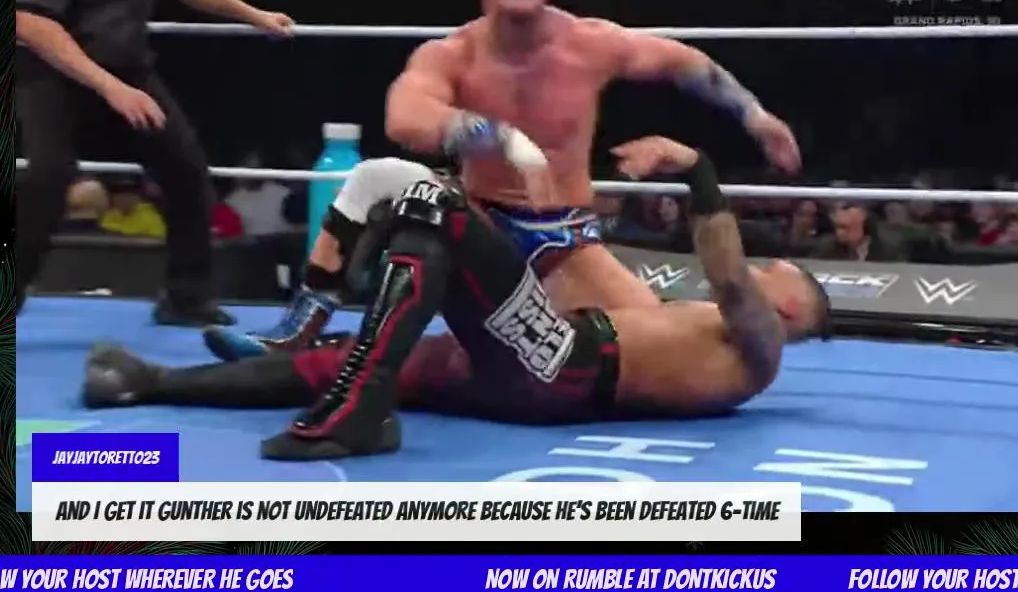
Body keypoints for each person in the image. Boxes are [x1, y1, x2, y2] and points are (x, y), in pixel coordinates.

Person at [202, 0, 801, 358]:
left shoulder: (591, 44)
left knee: (664, 345)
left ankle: (793, 319)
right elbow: (405, 116)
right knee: (375, 177)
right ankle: (301, 331)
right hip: (479, 226)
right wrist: (502, 138)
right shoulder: (452, 54)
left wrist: (753, 113)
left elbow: (684, 62)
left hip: (564, 240)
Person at [82, 138, 832, 460]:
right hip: (542, 359)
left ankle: (355, 406)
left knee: (431, 207)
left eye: (780, 270)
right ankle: (151, 382)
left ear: (791, 311)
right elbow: (575, 270)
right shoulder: (693, 331)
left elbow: (728, 274)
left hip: (563, 367)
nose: (765, 266)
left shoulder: (758, 351)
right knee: (358, 346)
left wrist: (697, 170)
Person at [15, 0, 294, 323]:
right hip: (51, 71)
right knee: (49, 173)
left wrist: (255, 16)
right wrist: (109, 87)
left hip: (127, 66)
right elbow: (30, 20)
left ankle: (186, 298)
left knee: (186, 168)